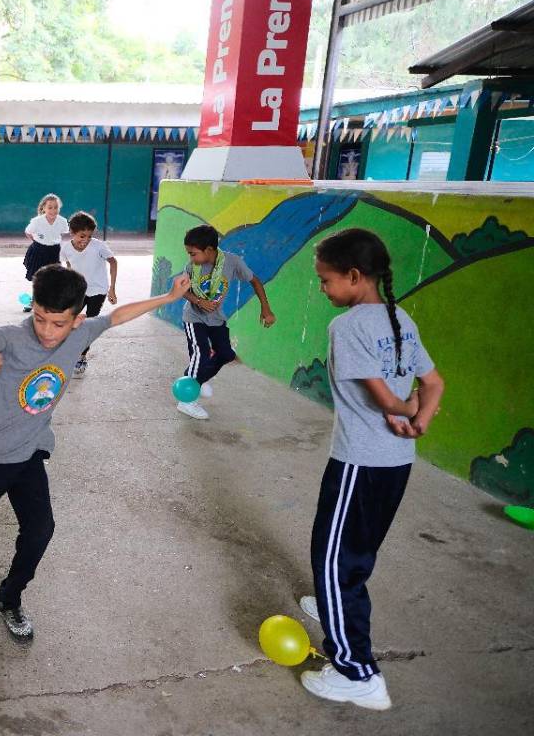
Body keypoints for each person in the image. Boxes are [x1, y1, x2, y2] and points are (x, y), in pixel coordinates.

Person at [0, 266, 190, 647]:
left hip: (30, 453)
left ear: (77, 319)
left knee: (40, 531)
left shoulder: (82, 331)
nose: (48, 331)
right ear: (32, 307)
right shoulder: (12, 337)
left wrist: (168, 298)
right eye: (41, 318)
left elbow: (116, 316)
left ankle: (9, 597)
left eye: (59, 324)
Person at [296, 228, 444, 711]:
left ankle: (355, 672)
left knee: (336, 560)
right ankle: (330, 602)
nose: (322, 289)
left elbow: (383, 398)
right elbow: (434, 384)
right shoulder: (400, 317)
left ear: (355, 277)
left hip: (360, 461)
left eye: (326, 280)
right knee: (355, 550)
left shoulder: (349, 327)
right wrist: (418, 420)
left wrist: (401, 411)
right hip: (396, 463)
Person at [175, 224, 276, 421]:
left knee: (226, 354)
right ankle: (187, 400)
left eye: (193, 253)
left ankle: (198, 378)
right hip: (194, 317)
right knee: (201, 353)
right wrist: (198, 300)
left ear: (209, 250)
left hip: (216, 318)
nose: (190, 258)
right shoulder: (192, 267)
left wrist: (265, 308)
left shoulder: (232, 262)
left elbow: (255, 281)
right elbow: (181, 289)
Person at [60, 211, 117, 378]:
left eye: (89, 236)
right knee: (70, 320)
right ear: (72, 232)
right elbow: (69, 264)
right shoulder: (65, 248)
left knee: (88, 324)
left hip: (98, 291)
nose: (85, 240)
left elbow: (113, 261)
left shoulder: (98, 246)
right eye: (81, 236)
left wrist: (112, 288)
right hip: (79, 290)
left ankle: (81, 356)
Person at [21, 194, 69, 312]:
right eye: (50, 207)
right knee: (37, 278)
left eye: (56, 207)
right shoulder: (36, 221)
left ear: (59, 208)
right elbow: (28, 232)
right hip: (38, 251)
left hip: (54, 252)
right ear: (44, 208)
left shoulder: (62, 221)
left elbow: (65, 232)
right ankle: (33, 301)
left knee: (54, 278)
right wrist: (37, 241)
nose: (53, 210)